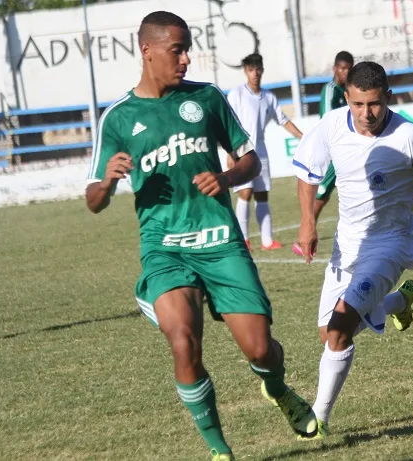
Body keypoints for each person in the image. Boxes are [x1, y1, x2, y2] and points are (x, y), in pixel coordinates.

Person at [84, 11, 317, 460]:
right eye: (177, 50)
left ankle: (277, 387)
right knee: (183, 341)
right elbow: (94, 200)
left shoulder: (207, 99)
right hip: (165, 249)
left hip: (220, 240)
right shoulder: (118, 118)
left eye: (188, 48)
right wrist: (109, 182)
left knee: (262, 349)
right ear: (147, 51)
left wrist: (227, 179)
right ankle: (219, 449)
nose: (187, 58)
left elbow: (249, 160)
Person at [292, 61, 413, 437]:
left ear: (387, 97)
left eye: (373, 104)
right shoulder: (333, 125)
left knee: (339, 332)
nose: (365, 114)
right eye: (357, 104)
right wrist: (308, 223)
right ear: (347, 98)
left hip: (391, 245)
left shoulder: (411, 137)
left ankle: (317, 420)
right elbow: (307, 174)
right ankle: (398, 303)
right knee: (329, 334)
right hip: (347, 246)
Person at [227, 53, 303, 251]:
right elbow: (227, 123)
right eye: (251, 69)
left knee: (262, 195)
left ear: (262, 70)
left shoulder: (269, 97)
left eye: (258, 69)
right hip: (241, 150)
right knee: (245, 192)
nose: (255, 73)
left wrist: (303, 137)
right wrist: (230, 152)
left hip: (261, 151)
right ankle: (243, 240)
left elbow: (283, 120)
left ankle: (267, 241)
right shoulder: (237, 94)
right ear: (245, 71)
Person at [292, 51, 354, 256]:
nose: (346, 72)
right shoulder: (330, 90)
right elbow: (328, 118)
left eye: (349, 68)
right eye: (342, 68)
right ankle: (304, 236)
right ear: (335, 68)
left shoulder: (348, 90)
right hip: (332, 151)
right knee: (321, 193)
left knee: (331, 194)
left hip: (346, 149)